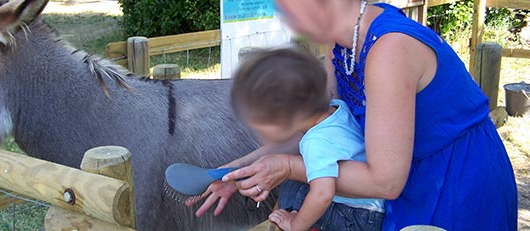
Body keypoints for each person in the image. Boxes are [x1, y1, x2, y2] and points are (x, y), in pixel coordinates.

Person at [191, 1, 518, 230]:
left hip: (453, 180)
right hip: (406, 174)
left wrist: (289, 168)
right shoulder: (341, 43)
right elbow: (308, 121)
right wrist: (236, 170)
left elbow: (386, 181)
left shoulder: (388, 50)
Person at [225, 49, 382, 230]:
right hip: (369, 206)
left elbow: (323, 194)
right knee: (293, 183)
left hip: (357, 217)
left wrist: (295, 224)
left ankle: (283, 224)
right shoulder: (336, 109)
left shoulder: (315, 142)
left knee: (294, 192)